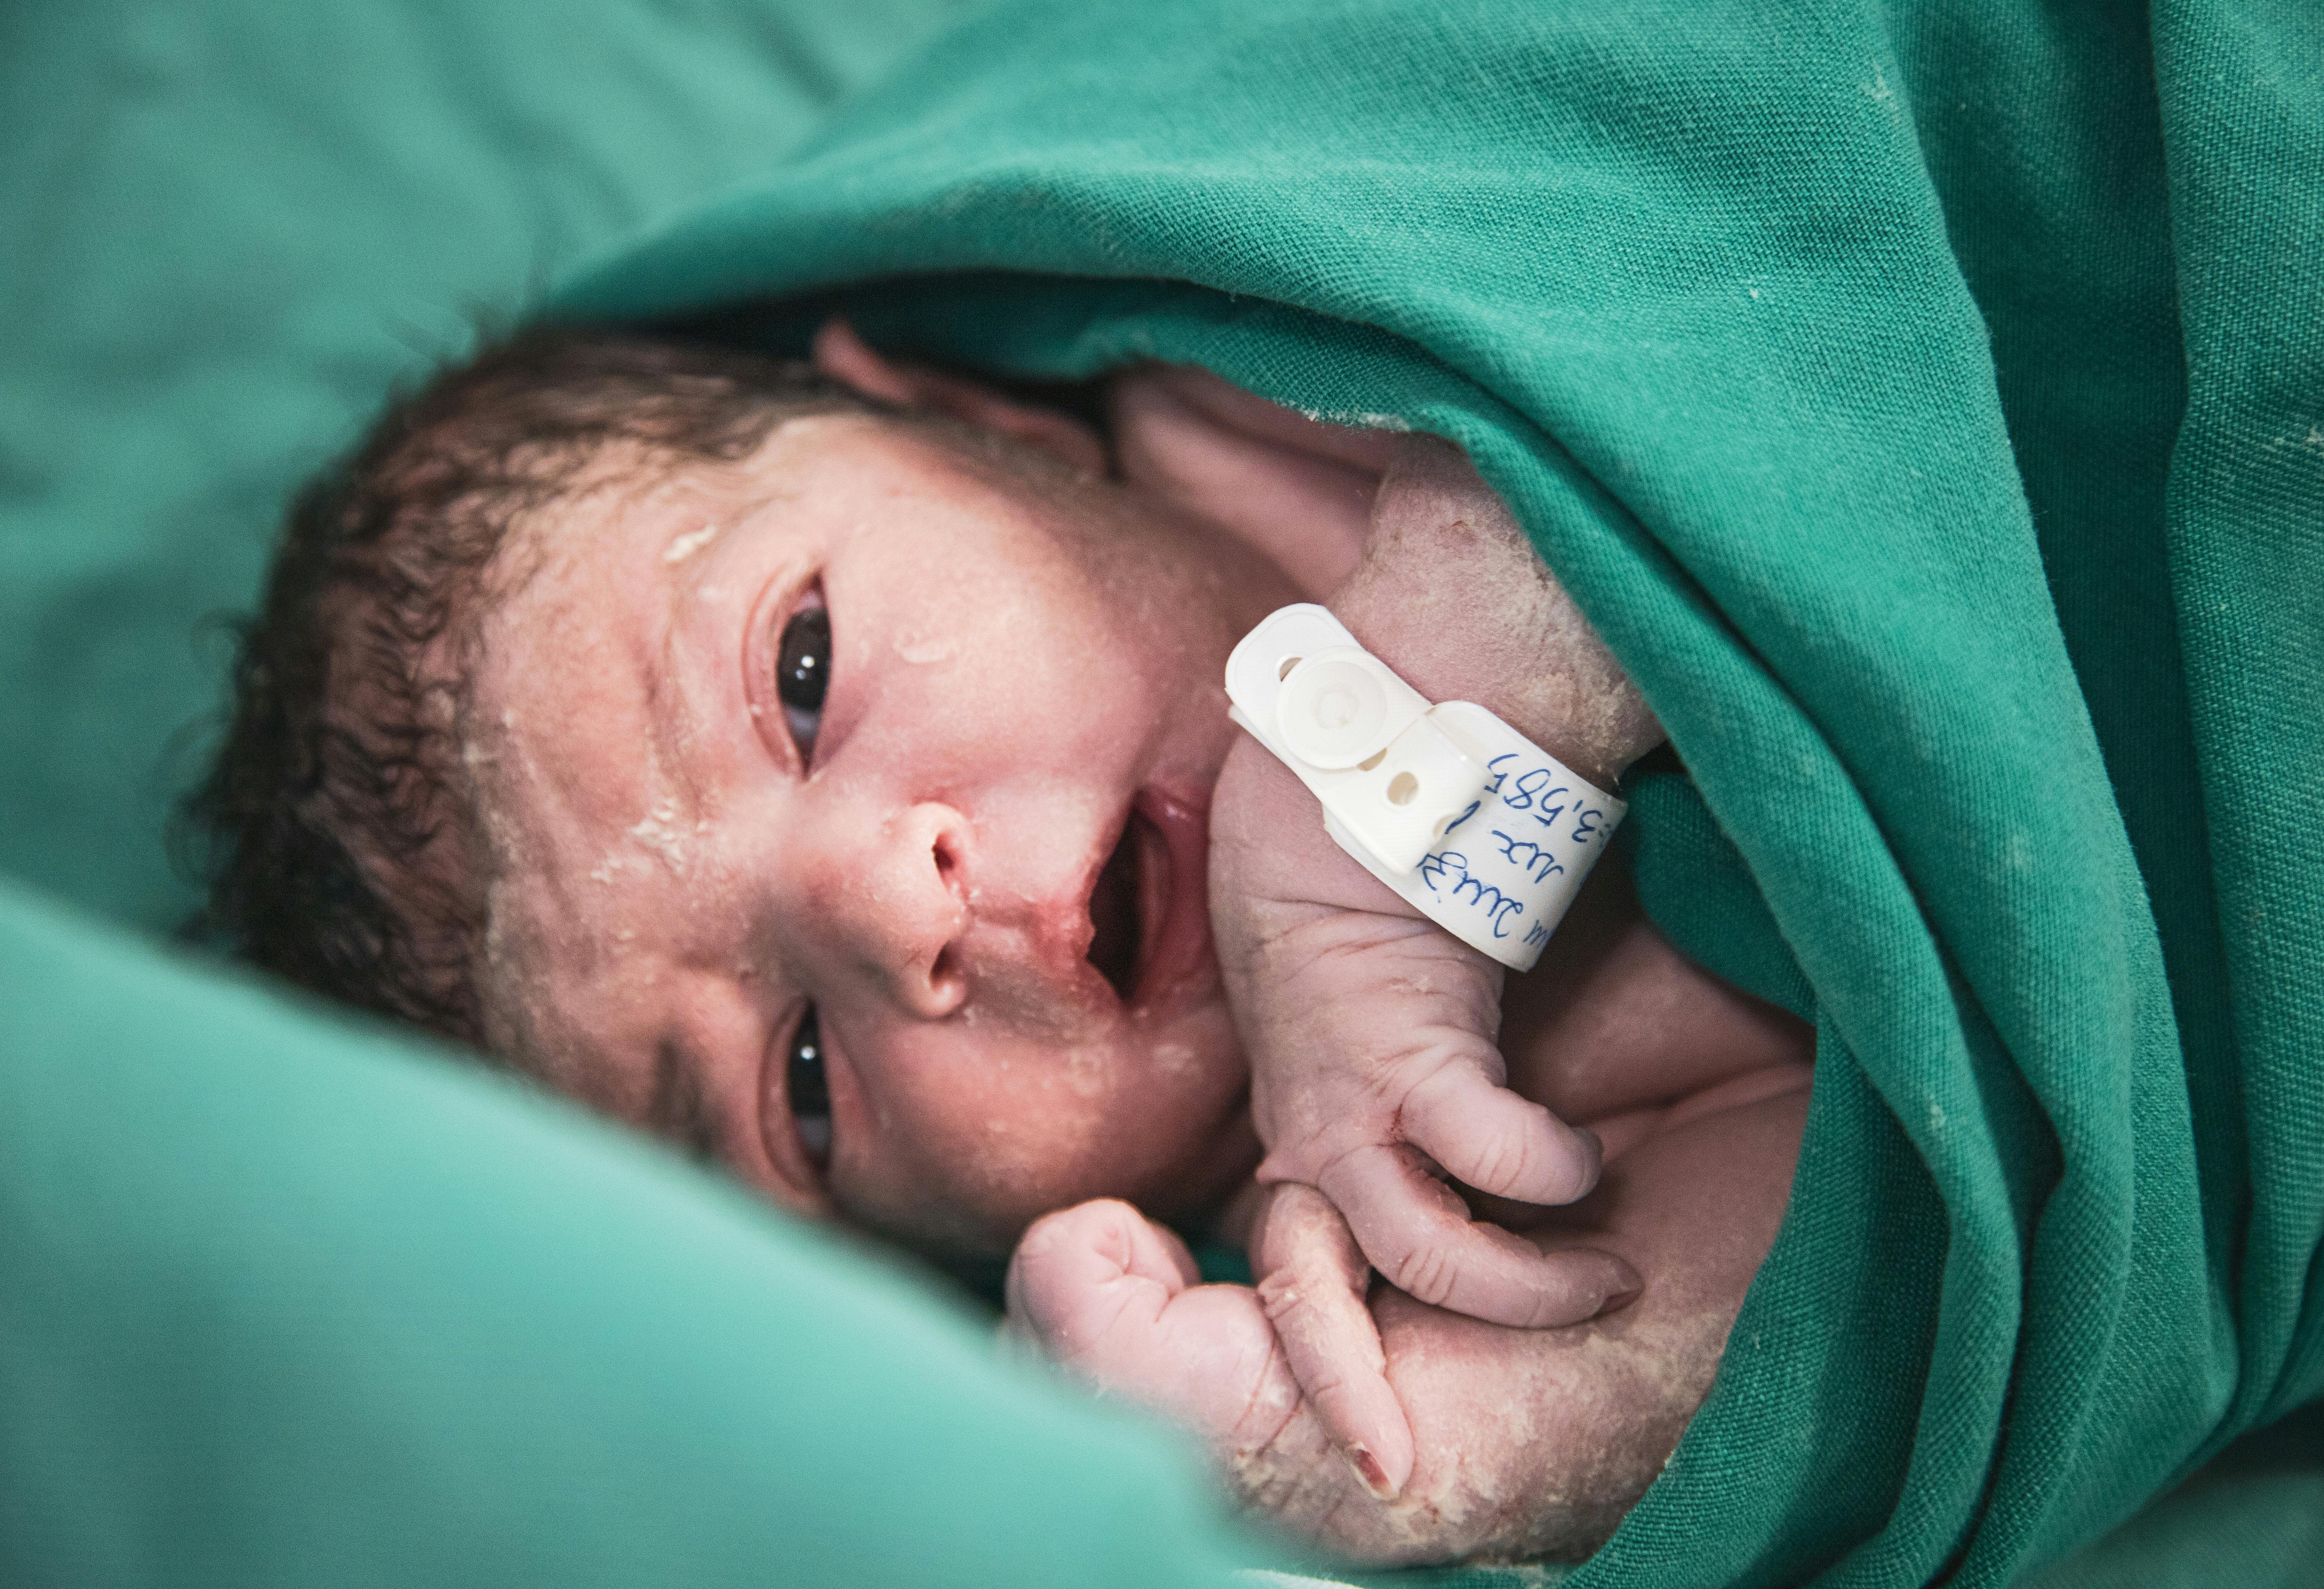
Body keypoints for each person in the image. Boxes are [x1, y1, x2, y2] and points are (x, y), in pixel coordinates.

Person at [184, 317, 1814, 1563]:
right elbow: (1876, 1245)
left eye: (801, 674)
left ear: (976, 429)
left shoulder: (1259, 402)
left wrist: (1450, 706)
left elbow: (1692, 302)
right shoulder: (1362, 1250)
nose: (895, 912)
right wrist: (1433, 1431)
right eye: (802, 1085)